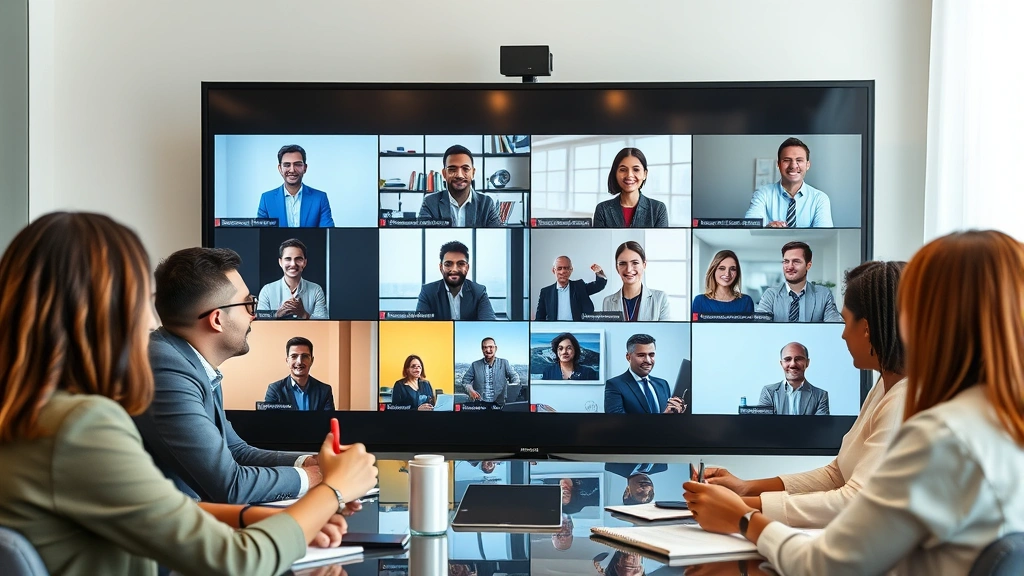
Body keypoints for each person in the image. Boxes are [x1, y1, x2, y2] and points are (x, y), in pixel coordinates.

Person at [0, 212, 377, 576]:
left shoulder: (37, 414)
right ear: (106, 311)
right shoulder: (80, 426)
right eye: (139, 300)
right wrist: (331, 489)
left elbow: (156, 511)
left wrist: (266, 514)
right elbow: (239, 562)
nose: (151, 321)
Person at [685, 230, 1024, 575]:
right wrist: (746, 491)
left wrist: (743, 517)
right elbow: (841, 474)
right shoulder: (990, 414)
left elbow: (825, 565)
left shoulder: (940, 433)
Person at [704, 261, 907, 527]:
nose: (843, 334)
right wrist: (744, 488)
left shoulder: (903, 400)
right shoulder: (883, 385)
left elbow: (854, 500)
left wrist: (741, 508)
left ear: (867, 328)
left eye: (845, 322)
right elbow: (838, 474)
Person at [135, 247, 328, 504]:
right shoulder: (166, 370)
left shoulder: (190, 362)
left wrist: (311, 461)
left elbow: (235, 450)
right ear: (217, 320)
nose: (254, 314)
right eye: (248, 303)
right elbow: (231, 486)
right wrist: (317, 477)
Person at [743, 137, 833, 228]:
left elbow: (824, 236)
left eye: (799, 160)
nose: (793, 166)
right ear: (778, 164)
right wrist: (767, 229)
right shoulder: (762, 194)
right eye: (787, 160)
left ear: (807, 165)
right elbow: (749, 229)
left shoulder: (820, 199)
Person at [418, 145, 503, 227]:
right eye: (452, 169)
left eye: (465, 169)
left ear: (473, 173)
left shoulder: (486, 204)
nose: (459, 175)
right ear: (444, 174)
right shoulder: (430, 202)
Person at [755, 241, 841, 322]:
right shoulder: (770, 295)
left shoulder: (824, 295)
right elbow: (761, 327)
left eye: (796, 262)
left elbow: (834, 327)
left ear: (808, 265)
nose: (790, 267)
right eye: (786, 261)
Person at [604, 334, 687, 414]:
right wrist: (663, 418)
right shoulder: (614, 385)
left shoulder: (663, 384)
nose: (648, 360)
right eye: (641, 355)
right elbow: (617, 424)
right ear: (628, 357)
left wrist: (677, 413)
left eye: (651, 355)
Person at [256, 144, 335, 227]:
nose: (292, 170)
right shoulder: (267, 199)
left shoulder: (320, 198)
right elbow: (260, 235)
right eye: (287, 165)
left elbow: (328, 234)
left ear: (305, 168)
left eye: (297, 164)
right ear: (280, 168)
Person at [416, 240, 495, 320]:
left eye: (461, 264)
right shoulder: (428, 292)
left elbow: (489, 325)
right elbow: (421, 327)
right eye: (448, 264)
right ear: (441, 268)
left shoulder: (479, 292)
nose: (454, 269)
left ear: (467, 268)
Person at [592, 147, 669, 228]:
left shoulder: (658, 209)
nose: (629, 175)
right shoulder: (603, 210)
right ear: (615, 173)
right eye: (623, 170)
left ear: (645, 174)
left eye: (636, 169)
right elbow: (600, 240)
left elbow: (660, 240)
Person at [257, 238, 328, 319]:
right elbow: (259, 319)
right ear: (280, 262)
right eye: (288, 259)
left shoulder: (316, 290)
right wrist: (277, 314)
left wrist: (303, 314)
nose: (293, 264)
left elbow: (325, 323)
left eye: (298, 259)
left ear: (304, 263)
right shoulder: (267, 290)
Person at [601, 241, 671, 321]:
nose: (629, 269)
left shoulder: (660, 299)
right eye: (623, 263)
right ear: (617, 268)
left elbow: (663, 332)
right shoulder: (608, 302)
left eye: (635, 263)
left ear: (644, 265)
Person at [757, 342, 830, 415]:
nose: (793, 364)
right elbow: (764, 424)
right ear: (781, 363)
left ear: (807, 363)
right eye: (787, 359)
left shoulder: (821, 396)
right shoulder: (768, 392)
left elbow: (821, 425)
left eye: (798, 359)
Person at [264, 337, 335, 411]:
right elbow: (269, 420)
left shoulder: (325, 390)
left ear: (312, 360)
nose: (300, 362)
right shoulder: (275, 389)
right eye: (294, 356)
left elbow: (329, 420)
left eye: (305, 356)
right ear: (287, 360)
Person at [535, 256, 608, 321]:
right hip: (555, 331)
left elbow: (599, 285)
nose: (563, 271)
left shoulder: (579, 286)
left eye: (566, 268)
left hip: (577, 330)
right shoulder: (546, 292)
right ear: (554, 270)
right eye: (559, 268)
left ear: (571, 270)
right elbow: (539, 318)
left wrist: (599, 272)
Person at [691, 249, 755, 315]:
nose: (727, 274)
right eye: (722, 268)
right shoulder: (700, 301)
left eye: (732, 269)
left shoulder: (746, 301)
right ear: (713, 270)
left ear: (737, 273)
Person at [461, 337, 522, 405]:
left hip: (499, 404)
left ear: (495, 348)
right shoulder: (475, 365)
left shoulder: (504, 363)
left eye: (491, 347)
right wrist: (470, 390)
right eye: (485, 347)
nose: (488, 350)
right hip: (479, 404)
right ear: (482, 349)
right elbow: (465, 381)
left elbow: (515, 378)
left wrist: (509, 392)